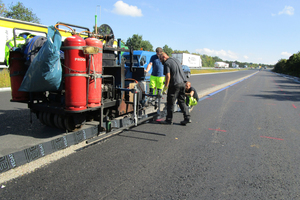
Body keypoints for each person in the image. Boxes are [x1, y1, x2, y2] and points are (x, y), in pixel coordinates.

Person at [158, 52, 191, 125]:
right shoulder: (176, 60)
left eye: (160, 59)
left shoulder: (167, 63)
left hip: (174, 84)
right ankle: (187, 117)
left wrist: (165, 87)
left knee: (170, 102)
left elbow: (168, 76)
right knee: (181, 101)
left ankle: (169, 120)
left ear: (164, 57)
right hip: (183, 83)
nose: (160, 61)